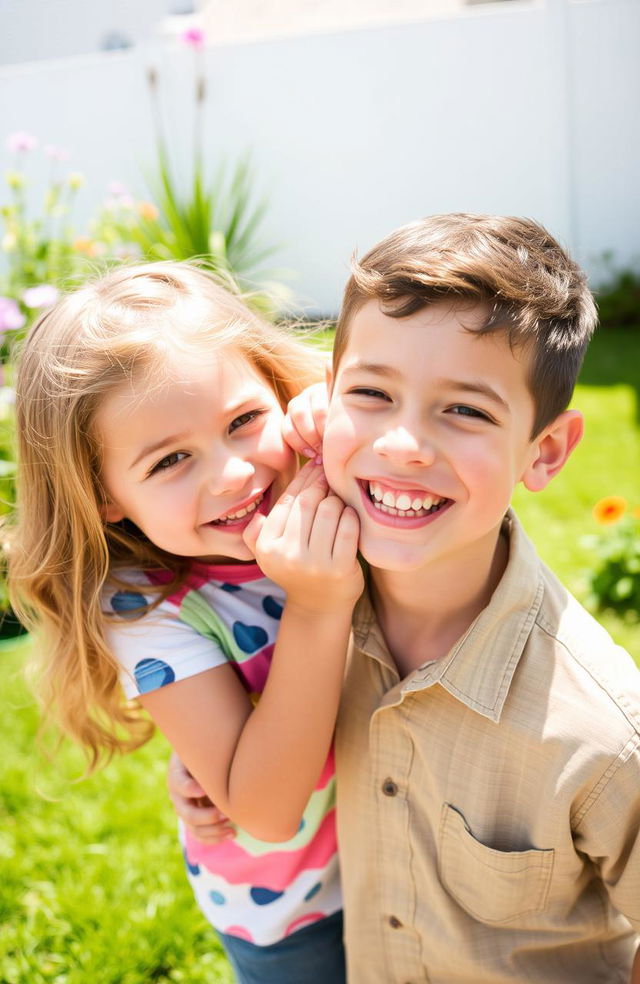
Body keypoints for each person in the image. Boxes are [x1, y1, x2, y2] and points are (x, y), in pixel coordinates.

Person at [170, 214, 640, 983]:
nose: (402, 445)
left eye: (465, 410)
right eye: (372, 394)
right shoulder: (304, 591)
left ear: (545, 451)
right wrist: (208, 769)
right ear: (326, 400)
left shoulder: (603, 735)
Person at [9, 261, 364, 984]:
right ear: (102, 494)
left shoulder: (334, 473)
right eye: (171, 459)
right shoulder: (145, 607)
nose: (233, 473)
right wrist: (318, 606)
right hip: (295, 911)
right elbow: (264, 810)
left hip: (415, 843)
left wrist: (343, 414)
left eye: (243, 421)